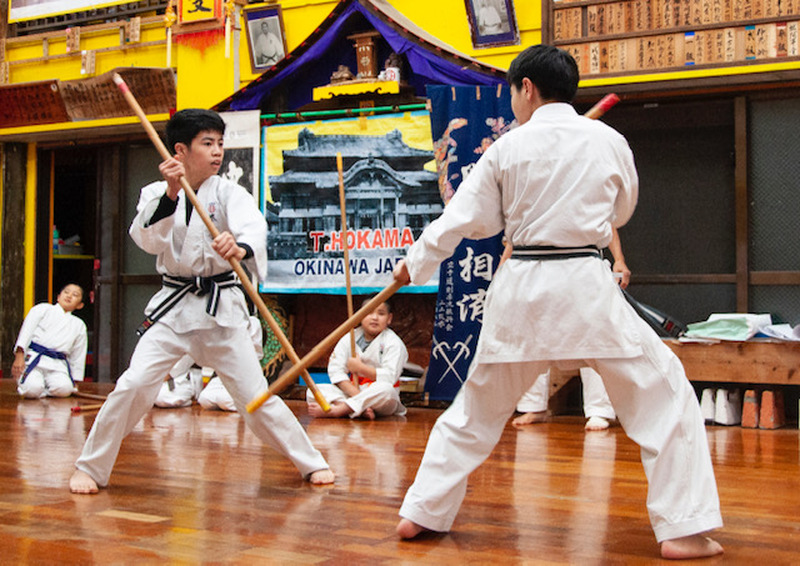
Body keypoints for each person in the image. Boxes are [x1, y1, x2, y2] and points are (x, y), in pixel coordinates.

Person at [392, 45, 723, 559]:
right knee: (666, 395)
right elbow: (622, 209)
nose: (513, 103)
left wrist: (413, 263)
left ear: (527, 88)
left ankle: (420, 512)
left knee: (474, 411)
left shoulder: (507, 148)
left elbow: (462, 219)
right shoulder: (609, 140)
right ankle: (682, 527)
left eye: (512, 92)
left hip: (521, 286)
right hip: (586, 286)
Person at [69, 108, 334, 494]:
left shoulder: (229, 192)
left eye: (220, 144)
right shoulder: (155, 193)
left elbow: (252, 228)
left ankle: (311, 463)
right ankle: (91, 468)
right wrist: (173, 194)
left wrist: (238, 246)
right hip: (173, 308)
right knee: (134, 384)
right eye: (207, 144)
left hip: (221, 309)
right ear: (180, 149)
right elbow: (147, 239)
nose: (217, 152)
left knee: (255, 398)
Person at [512, 228, 630, 430]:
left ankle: (599, 409)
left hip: (583, 264)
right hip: (538, 265)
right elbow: (517, 229)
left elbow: (606, 219)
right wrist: (505, 266)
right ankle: (533, 406)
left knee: (593, 338)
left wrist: (619, 259)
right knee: (533, 337)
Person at [306, 297, 407, 420]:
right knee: (313, 391)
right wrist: (358, 396)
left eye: (381, 314)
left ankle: (340, 410)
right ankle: (359, 409)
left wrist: (361, 369)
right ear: (360, 315)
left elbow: (390, 377)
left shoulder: (394, 343)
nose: (374, 317)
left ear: (389, 318)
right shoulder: (350, 338)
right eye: (369, 312)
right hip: (352, 392)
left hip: (379, 399)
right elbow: (336, 370)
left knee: (386, 390)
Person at [12, 283, 87, 399]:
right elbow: (26, 331)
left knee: (64, 389)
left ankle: (44, 389)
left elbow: (78, 354)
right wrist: (19, 355)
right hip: (35, 359)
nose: (69, 296)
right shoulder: (42, 309)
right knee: (32, 389)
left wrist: (75, 380)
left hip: (57, 364)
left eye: (75, 295)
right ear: (58, 297)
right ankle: (35, 385)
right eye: (66, 292)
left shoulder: (79, 325)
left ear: (80, 305)